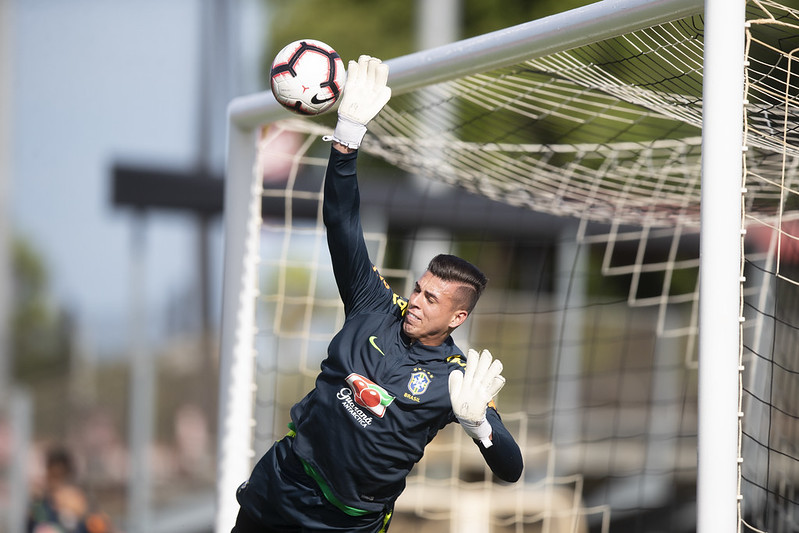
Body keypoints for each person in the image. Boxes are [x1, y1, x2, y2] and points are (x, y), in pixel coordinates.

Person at [232, 55, 523, 533]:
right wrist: (346, 139)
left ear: (458, 318)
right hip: (283, 482)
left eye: (433, 299)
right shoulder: (373, 305)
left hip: (346, 522)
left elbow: (511, 469)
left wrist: (480, 427)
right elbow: (342, 225)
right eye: (419, 289)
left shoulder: (457, 382)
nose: (417, 301)